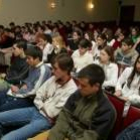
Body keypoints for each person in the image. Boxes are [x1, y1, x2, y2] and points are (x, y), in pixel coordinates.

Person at [0, 53, 77, 140]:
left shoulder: (72, 90)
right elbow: (38, 96)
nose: (52, 71)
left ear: (66, 70)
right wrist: (42, 105)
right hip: (34, 110)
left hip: (45, 121)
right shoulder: (54, 78)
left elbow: (52, 113)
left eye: (55, 69)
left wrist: (42, 102)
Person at [31, 64, 116, 140]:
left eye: (83, 86)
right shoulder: (78, 94)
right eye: (79, 84)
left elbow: (90, 137)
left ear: (96, 86)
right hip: (62, 133)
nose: (79, 87)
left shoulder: (106, 110)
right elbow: (63, 118)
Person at [0, 46, 51, 111]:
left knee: (2, 108)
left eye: (29, 58)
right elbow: (26, 81)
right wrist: (20, 86)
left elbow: (34, 91)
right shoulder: (32, 66)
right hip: (22, 92)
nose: (27, 61)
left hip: (29, 99)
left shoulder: (43, 70)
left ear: (37, 59)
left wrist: (18, 91)